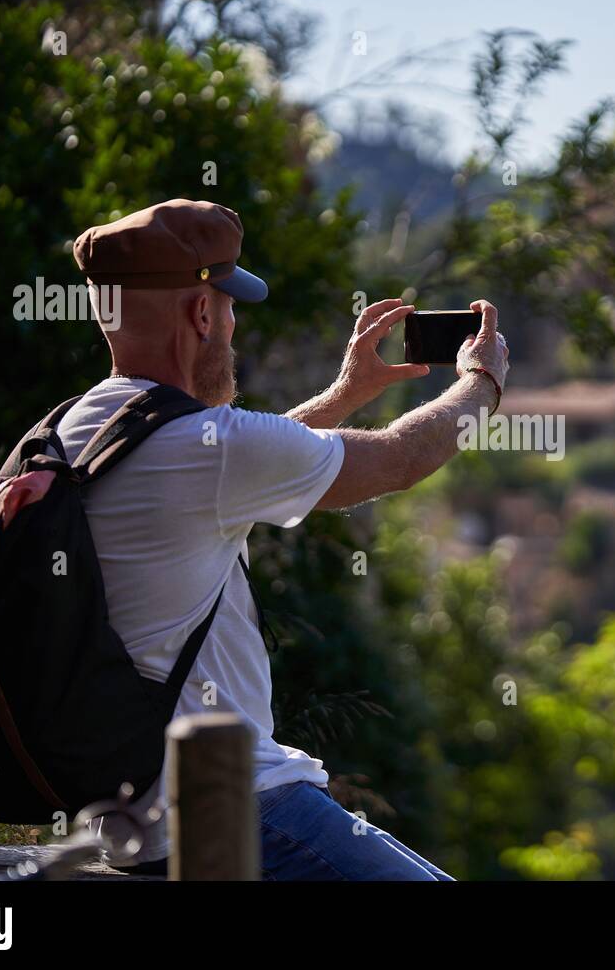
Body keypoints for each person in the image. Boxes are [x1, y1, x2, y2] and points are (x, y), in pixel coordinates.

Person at [61, 198, 508, 879]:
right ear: (202, 314)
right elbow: (400, 458)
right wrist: (482, 382)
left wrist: (344, 392)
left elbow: (231, 471)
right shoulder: (203, 450)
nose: (235, 325)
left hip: (130, 824)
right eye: (230, 306)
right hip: (235, 810)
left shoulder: (76, 431)